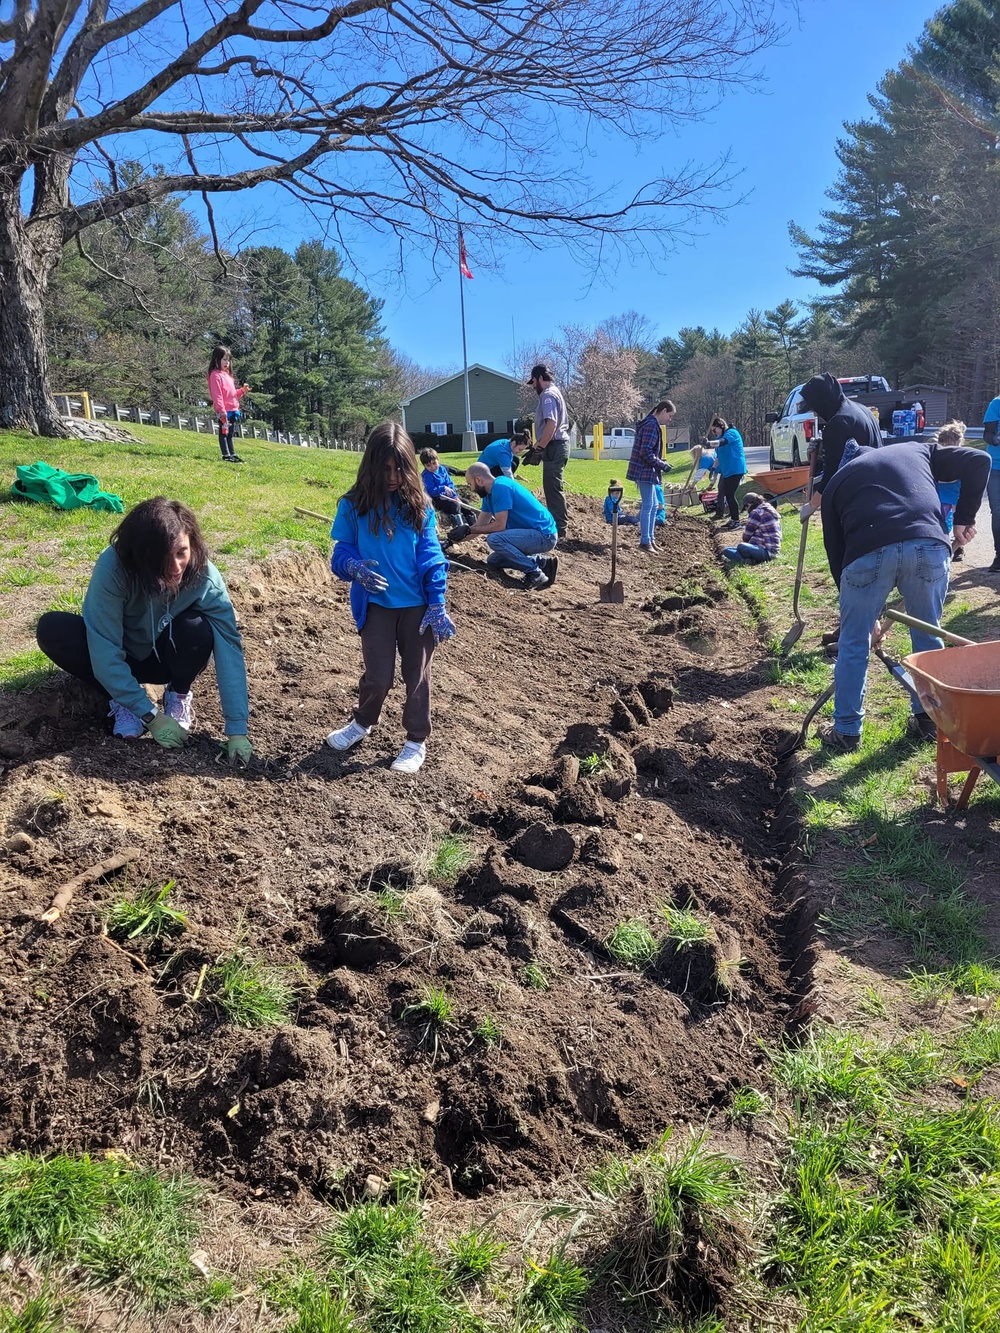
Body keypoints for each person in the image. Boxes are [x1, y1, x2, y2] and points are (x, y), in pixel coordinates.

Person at [35, 497, 253, 763]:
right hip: (120, 655)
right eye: (164, 557)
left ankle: (177, 695)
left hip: (163, 658)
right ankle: (122, 701)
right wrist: (149, 715)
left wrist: (237, 729)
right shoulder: (113, 567)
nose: (175, 567)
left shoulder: (205, 576)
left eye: (182, 552)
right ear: (142, 554)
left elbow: (229, 646)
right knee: (53, 629)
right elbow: (104, 649)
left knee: (198, 628)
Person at [818, 438, 989, 751]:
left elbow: (836, 556)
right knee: (927, 636)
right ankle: (929, 721)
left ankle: (846, 733)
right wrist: (965, 518)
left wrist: (860, 617)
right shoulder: (918, 450)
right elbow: (979, 460)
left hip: (867, 554)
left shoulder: (836, 483)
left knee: (854, 643)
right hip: (928, 545)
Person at [326, 423, 454, 775]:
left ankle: (415, 740)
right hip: (376, 605)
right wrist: (353, 566)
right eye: (385, 469)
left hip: (418, 608)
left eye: (400, 468)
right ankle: (362, 722)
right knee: (378, 675)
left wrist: (437, 601)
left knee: (418, 674)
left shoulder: (420, 507)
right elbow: (341, 552)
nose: (394, 477)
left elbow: (431, 557)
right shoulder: (353, 506)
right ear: (371, 465)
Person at [449, 461, 558, 590]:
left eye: (470, 484)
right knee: (494, 561)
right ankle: (542, 563)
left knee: (494, 539)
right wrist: (452, 540)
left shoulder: (501, 487)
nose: (471, 488)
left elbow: (499, 526)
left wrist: (467, 529)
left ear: (478, 480)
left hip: (544, 535)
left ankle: (535, 573)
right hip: (533, 534)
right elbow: (478, 528)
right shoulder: (488, 496)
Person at [798, 372, 881, 519]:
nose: (815, 413)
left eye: (814, 408)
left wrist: (811, 505)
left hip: (858, 498)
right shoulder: (862, 410)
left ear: (822, 401)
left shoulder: (838, 423)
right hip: (877, 488)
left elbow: (832, 475)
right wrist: (823, 447)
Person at [625, 401, 676, 552]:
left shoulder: (651, 424)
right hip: (645, 471)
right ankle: (645, 542)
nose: (670, 419)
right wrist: (662, 465)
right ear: (664, 411)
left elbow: (648, 451)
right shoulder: (651, 425)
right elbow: (645, 452)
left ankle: (650, 540)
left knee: (653, 505)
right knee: (648, 506)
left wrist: (660, 461)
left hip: (647, 471)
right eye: (670, 415)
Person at [527, 364, 571, 539]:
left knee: (552, 489)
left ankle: (559, 530)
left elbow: (551, 424)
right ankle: (559, 526)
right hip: (556, 445)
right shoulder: (555, 391)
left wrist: (540, 448)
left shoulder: (547, 396)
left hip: (555, 446)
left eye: (533, 382)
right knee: (552, 487)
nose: (532, 386)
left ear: (539, 378)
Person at [207, 345, 249, 464]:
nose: (227, 363)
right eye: (224, 359)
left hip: (233, 410)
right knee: (224, 433)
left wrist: (242, 391)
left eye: (228, 360)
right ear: (216, 360)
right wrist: (221, 410)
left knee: (230, 434)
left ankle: (232, 453)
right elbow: (217, 395)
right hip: (224, 411)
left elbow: (232, 394)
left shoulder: (227, 376)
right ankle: (226, 455)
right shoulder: (215, 375)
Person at [419, 448, 477, 529]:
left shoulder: (442, 469)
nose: (432, 467)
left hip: (448, 495)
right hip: (437, 498)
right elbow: (430, 491)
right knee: (455, 505)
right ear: (424, 466)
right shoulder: (426, 475)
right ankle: (459, 525)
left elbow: (449, 483)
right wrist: (442, 489)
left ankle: (473, 524)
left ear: (438, 460)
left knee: (464, 502)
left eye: (434, 463)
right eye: (428, 465)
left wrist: (454, 496)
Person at [934, 422, 966, 562]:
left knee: (955, 526)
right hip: (938, 499)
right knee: (941, 527)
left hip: (955, 501)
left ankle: (955, 550)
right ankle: (941, 554)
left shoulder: (965, 460)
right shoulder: (934, 458)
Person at [721, 492, 782, 565]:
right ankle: (750, 559)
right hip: (772, 549)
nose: (746, 510)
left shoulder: (756, 513)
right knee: (727, 550)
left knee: (741, 546)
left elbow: (746, 537)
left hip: (766, 551)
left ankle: (749, 561)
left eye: (746, 507)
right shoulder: (770, 509)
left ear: (749, 504)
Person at [708, 416, 746, 525]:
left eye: (715, 430)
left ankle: (736, 520)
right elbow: (719, 457)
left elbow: (723, 442)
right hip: (727, 471)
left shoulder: (731, 433)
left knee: (729, 494)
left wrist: (709, 443)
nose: (714, 433)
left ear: (721, 426)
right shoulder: (720, 438)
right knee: (726, 493)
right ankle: (734, 519)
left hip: (736, 468)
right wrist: (713, 468)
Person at [981, 393, 1000, 572]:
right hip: (996, 467)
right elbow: (987, 435)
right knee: (998, 511)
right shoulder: (997, 403)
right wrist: (996, 439)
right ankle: (999, 556)